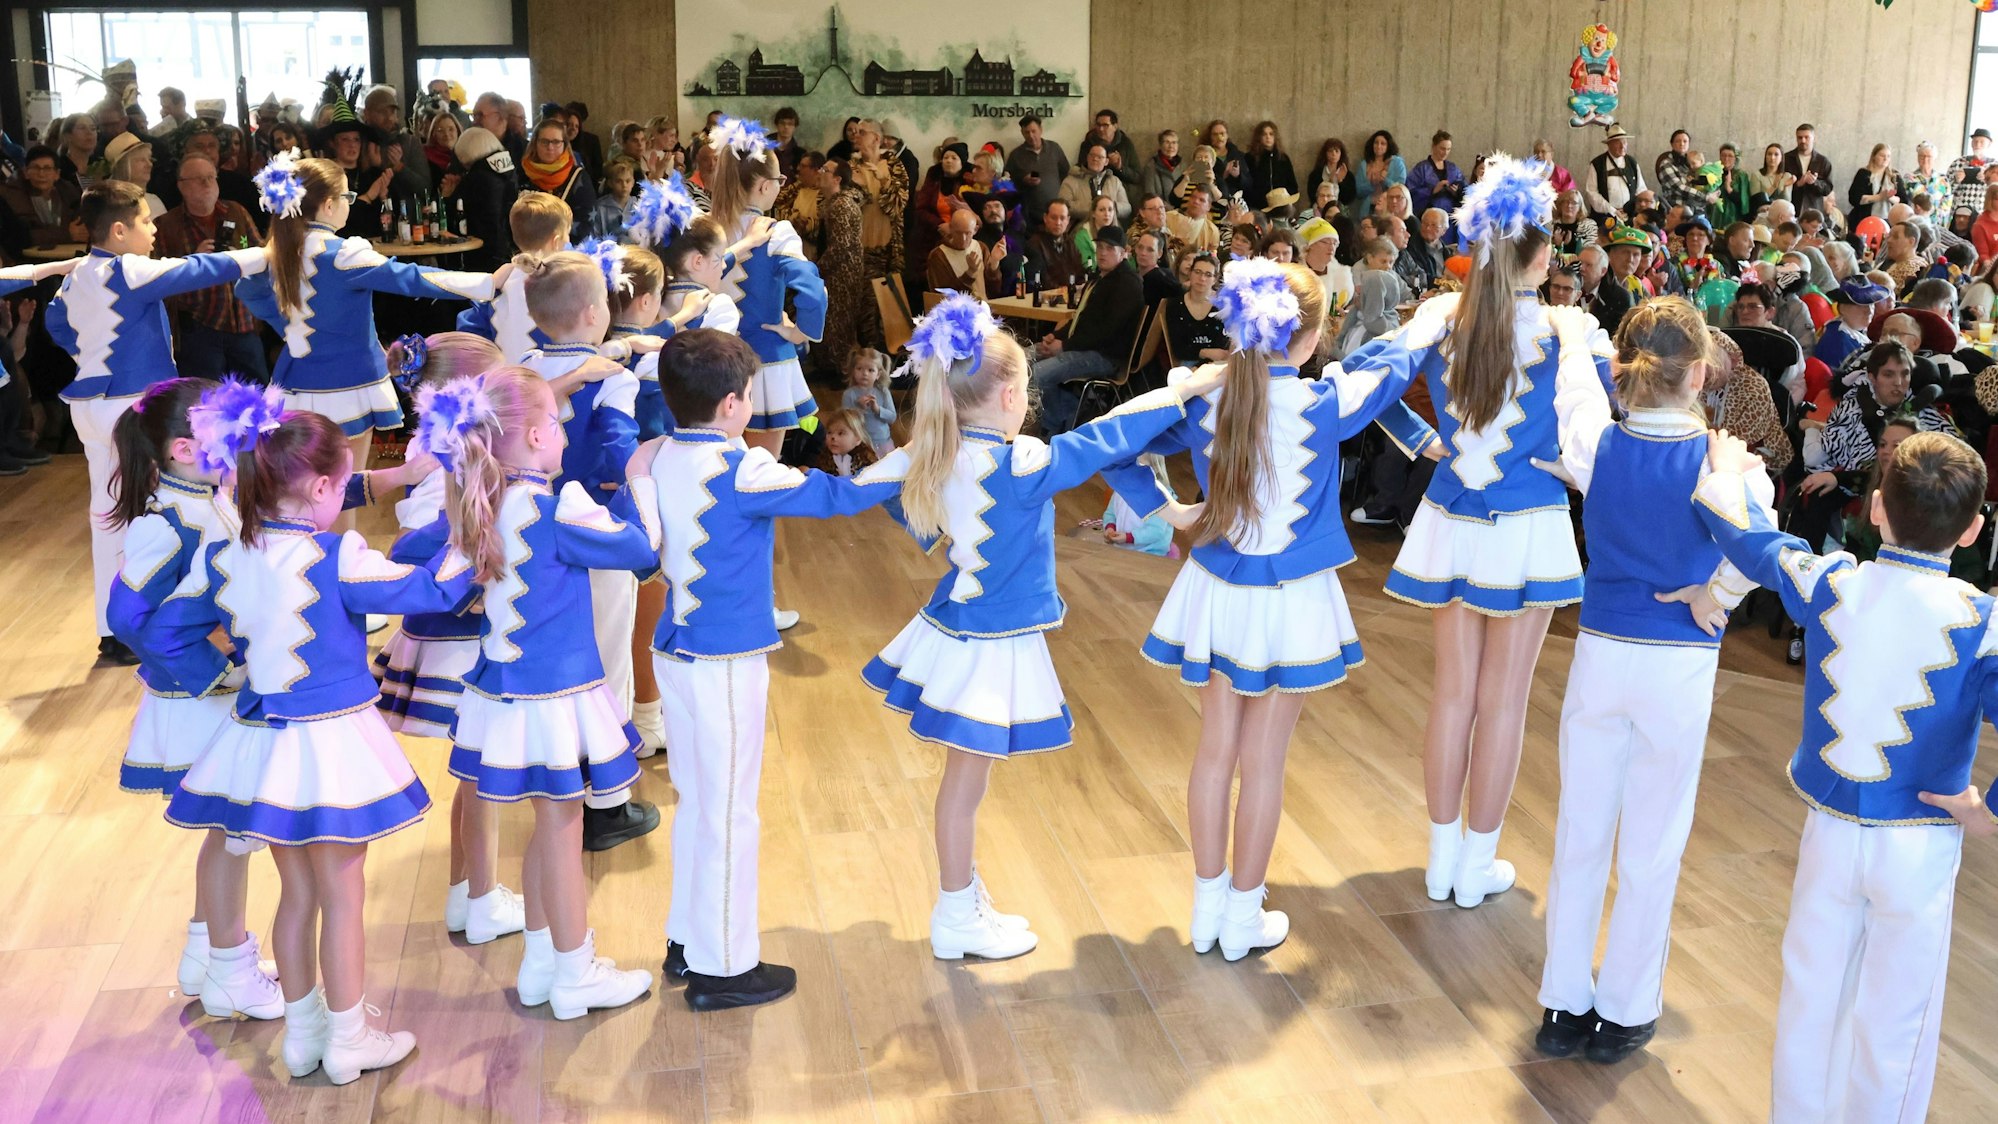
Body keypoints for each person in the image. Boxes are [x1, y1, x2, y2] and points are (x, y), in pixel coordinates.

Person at [869, 293, 1217, 962]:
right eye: (1026, 385)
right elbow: (1111, 431)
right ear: (1006, 398)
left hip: (959, 629)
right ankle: (954, 912)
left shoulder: (931, 456)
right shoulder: (1019, 463)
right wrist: (1189, 387)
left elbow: (857, 490)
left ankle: (961, 898)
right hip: (988, 644)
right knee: (964, 788)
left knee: (965, 784)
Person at [142, 388, 473, 1084]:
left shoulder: (229, 553)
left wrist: (228, 668)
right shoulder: (338, 554)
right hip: (333, 743)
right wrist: (475, 537)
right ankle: (350, 1037)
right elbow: (433, 594)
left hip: (263, 741)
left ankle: (304, 1033)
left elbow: (164, 628)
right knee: (343, 893)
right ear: (324, 485)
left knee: (296, 895)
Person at [1690, 427, 1998, 1122]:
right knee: (1897, 1021)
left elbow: (1749, 540)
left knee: (1810, 996)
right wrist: (1990, 810)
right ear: (1975, 530)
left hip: (1828, 835)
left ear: (1876, 507)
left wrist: (1726, 470)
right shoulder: (1982, 624)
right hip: (1918, 845)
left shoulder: (1830, 582)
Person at [1532, 297, 1770, 1067]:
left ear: (1621, 373)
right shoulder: (1722, 463)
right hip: (1679, 661)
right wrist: (1718, 595)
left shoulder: (1600, 441)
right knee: (1651, 841)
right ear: (1700, 373)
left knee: (1581, 832)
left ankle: (1563, 1004)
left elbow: (1573, 393)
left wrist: (1571, 333)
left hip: (1601, 649)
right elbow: (1758, 542)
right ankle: (1626, 1009)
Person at [1373, 158, 1614, 909]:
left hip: (1451, 515)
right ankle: (1475, 863)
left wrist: (1421, 439)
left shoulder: (1443, 317)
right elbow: (1607, 426)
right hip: (1529, 522)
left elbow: (1364, 380)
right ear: (1541, 256)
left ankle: (1444, 858)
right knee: (1503, 703)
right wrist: (1570, 469)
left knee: (1453, 697)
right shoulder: (1567, 327)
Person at [645, 328, 904, 1006]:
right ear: (733, 404)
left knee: (699, 801)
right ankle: (724, 967)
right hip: (726, 658)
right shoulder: (743, 467)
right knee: (731, 810)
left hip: (673, 646)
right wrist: (907, 463)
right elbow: (838, 498)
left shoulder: (657, 454)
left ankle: (687, 938)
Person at [422, 365, 659, 1019]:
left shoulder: (483, 500)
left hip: (504, 693)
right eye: (556, 422)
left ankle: (541, 961)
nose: (562, 433)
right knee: (562, 826)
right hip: (555, 696)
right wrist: (638, 475)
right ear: (532, 436)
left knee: (547, 825)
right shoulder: (560, 507)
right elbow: (642, 549)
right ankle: (575, 971)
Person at [102, 377, 284, 1020]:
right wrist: (208, 671)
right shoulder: (172, 520)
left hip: (219, 695)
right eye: (229, 436)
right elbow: (127, 618)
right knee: (234, 831)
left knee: (230, 831)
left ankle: (209, 953)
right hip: (201, 703)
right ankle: (228, 967)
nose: (246, 444)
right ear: (183, 448)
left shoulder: (209, 500)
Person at [47, 181, 268, 665]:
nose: (154, 230)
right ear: (120, 230)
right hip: (134, 405)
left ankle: (114, 629)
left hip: (89, 404)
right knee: (160, 511)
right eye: (147, 221)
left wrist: (94, 358)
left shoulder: (74, 275)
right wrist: (262, 254)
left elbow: (56, 324)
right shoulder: (128, 268)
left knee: (106, 513)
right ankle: (164, 621)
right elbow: (193, 270)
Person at [237, 154, 497, 473]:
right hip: (350, 381)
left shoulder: (276, 250)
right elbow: (411, 278)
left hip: (295, 381)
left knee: (305, 481)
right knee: (348, 482)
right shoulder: (344, 255)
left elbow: (247, 289)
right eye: (347, 196)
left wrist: (290, 329)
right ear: (329, 205)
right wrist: (487, 283)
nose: (351, 202)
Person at [707, 118, 826, 461]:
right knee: (759, 472)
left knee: (716, 466)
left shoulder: (707, 228)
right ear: (763, 186)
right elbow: (813, 290)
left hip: (711, 362)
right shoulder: (777, 231)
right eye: (779, 180)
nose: (780, 186)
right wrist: (801, 331)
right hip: (767, 363)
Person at [154, 155, 267, 380]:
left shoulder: (236, 212)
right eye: (198, 179)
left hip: (243, 319)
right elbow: (159, 281)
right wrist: (192, 262)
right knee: (204, 396)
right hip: (198, 325)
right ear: (181, 186)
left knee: (258, 390)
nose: (207, 184)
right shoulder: (167, 225)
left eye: (211, 177)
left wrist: (242, 258)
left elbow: (264, 255)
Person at [1030, 225, 1144, 434]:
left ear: (1123, 252)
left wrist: (1063, 345)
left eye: (1109, 248)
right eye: (1100, 247)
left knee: (1035, 374)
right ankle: (1068, 408)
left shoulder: (1128, 283)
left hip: (1106, 357)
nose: (1102, 252)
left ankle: (1054, 425)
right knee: (1020, 359)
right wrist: (1054, 337)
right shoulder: (1098, 278)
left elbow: (1106, 331)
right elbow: (1080, 320)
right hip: (1082, 347)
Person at [850, 119, 909, 293]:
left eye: (862, 132)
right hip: (856, 251)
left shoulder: (894, 166)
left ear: (876, 138)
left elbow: (898, 206)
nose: (856, 136)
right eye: (855, 132)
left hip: (886, 253)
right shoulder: (851, 167)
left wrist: (884, 182)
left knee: (883, 309)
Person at [520, 117, 596, 241]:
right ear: (535, 143)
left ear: (564, 144)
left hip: (566, 249)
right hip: (527, 248)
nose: (550, 147)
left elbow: (585, 221)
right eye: (544, 141)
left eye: (556, 142)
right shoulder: (523, 173)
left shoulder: (578, 177)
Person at [2, 144, 84, 248]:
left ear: (57, 174)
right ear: (26, 172)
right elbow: (19, 237)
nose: (41, 174)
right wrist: (66, 234)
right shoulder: (11, 194)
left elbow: (80, 227)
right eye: (36, 168)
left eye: (47, 168)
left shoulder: (68, 192)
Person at [1003, 115, 1068, 225]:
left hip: (1056, 213)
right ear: (1022, 133)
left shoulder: (1054, 148)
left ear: (1041, 130)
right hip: (1030, 215)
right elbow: (1008, 183)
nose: (1031, 136)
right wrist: (1024, 180)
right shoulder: (1016, 155)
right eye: (1027, 132)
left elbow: (1066, 173)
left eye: (1034, 131)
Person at [839, 345, 895, 455]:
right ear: (853, 370)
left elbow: (892, 417)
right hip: (860, 443)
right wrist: (859, 409)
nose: (864, 373)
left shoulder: (883, 392)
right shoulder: (849, 394)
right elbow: (846, 422)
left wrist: (878, 409)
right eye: (859, 369)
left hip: (883, 442)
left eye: (870, 370)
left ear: (878, 374)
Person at [1059, 140, 1131, 224]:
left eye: (1100, 157)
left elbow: (1127, 208)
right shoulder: (1070, 180)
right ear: (1087, 157)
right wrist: (1094, 208)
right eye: (1092, 155)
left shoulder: (1114, 181)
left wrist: (1109, 208)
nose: (1095, 159)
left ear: (1106, 161)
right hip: (1079, 229)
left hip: (1110, 229)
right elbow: (1062, 207)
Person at [1585, 126, 1645, 225]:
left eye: (1625, 142)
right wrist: (1612, 210)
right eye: (1618, 143)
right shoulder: (1597, 164)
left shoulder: (1632, 163)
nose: (1622, 146)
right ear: (1609, 144)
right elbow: (1592, 192)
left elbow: (1641, 189)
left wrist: (1630, 208)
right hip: (1605, 217)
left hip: (1629, 217)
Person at [926, 206, 985, 299]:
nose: (963, 238)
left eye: (968, 233)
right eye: (958, 233)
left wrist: (994, 263)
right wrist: (969, 273)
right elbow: (943, 297)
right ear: (950, 228)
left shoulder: (981, 247)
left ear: (975, 230)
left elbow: (993, 289)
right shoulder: (938, 255)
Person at [1406, 131, 1465, 219]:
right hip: (1428, 215)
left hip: (1450, 215)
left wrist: (1457, 191)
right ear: (1433, 147)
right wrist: (1432, 191)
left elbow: (1465, 189)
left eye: (1448, 149)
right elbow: (1411, 192)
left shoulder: (1453, 169)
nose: (1445, 152)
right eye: (1442, 148)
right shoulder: (1422, 168)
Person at [1080, 108, 1141, 190]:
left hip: (1119, 191)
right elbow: (1081, 171)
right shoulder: (1088, 144)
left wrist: (1120, 167)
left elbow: (1137, 177)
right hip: (1093, 189)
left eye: (1105, 125)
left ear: (1115, 127)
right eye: (1098, 125)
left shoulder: (1125, 144)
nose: (1101, 129)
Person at [1782, 123, 1835, 218]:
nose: (1803, 140)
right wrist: (1798, 183)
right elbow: (1780, 186)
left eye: (1807, 137)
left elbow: (1828, 188)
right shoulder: (1786, 159)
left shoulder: (1823, 161)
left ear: (1814, 138)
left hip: (1814, 210)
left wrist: (1815, 182)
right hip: (1791, 209)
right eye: (1800, 137)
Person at [1577, 244, 1631, 334]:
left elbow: (1617, 335)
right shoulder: (1564, 286)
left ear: (1603, 271)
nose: (1581, 268)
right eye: (1579, 263)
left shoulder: (1619, 297)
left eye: (1588, 265)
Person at [1243, 120, 1297, 209]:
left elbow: (1292, 185)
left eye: (1271, 134)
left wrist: (1284, 198)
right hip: (1258, 206)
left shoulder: (1283, 158)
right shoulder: (1250, 158)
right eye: (1264, 134)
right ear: (1259, 137)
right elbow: (1247, 185)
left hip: (1281, 205)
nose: (1268, 137)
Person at [1166, 183, 1222, 262]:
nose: (1196, 201)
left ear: (1209, 206)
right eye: (1193, 197)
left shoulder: (1212, 231)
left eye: (1201, 200)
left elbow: (1211, 260)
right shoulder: (1169, 218)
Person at [1304, 138, 1356, 218]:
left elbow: (1349, 198)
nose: (1333, 154)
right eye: (1330, 151)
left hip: (1339, 212)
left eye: (1336, 151)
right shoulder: (1316, 174)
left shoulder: (1348, 175)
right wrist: (1329, 181)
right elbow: (1312, 195)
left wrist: (1340, 181)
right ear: (1325, 153)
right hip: (1318, 212)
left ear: (1341, 154)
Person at [1948, 127, 1994, 216]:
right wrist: (1956, 180)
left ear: (1989, 144)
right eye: (1975, 141)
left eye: (1982, 142)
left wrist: (1988, 180)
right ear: (1971, 143)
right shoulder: (1958, 163)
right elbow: (1946, 190)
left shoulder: (1994, 166)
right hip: (1959, 211)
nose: (1978, 144)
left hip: (1984, 212)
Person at [1132, 228, 1180, 307]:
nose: (1143, 253)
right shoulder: (1132, 277)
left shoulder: (1163, 280)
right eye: (1140, 247)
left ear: (1159, 254)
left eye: (1150, 250)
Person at [1550, 189, 1598, 257]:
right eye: (1566, 202)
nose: (1569, 206)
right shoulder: (1551, 225)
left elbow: (1592, 252)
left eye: (1574, 203)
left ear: (1579, 207)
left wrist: (1570, 243)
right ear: (1561, 205)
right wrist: (1557, 245)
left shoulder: (1589, 225)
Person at [1141, 129, 1183, 204]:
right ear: (1160, 145)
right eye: (1167, 142)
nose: (1171, 146)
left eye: (1174, 142)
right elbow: (1150, 196)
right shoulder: (1151, 167)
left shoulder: (1183, 165)